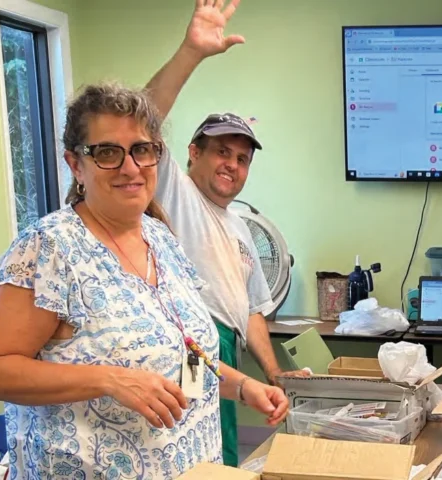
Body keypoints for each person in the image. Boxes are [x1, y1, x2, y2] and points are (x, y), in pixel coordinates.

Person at [0, 82, 289, 479]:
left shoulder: (159, 237)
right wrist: (109, 380)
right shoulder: (48, 248)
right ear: (76, 164)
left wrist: (243, 386)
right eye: (108, 152)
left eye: (142, 150)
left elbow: (183, 353)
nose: (130, 167)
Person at [141, 0, 308, 466]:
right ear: (193, 153)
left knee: (222, 446)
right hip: (190, 344)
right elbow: (142, 123)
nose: (232, 166)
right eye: (222, 152)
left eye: (242, 159)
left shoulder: (238, 227)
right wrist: (190, 52)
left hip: (227, 344)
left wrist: (275, 373)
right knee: (191, 445)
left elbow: (251, 310)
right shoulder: (174, 191)